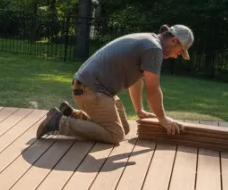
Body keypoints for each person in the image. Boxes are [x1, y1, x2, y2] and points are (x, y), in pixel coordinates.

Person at [36, 24, 192, 143]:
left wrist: (139, 110)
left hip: (92, 89)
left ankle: (73, 115)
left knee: (124, 128)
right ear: (174, 41)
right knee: (115, 134)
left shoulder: (149, 41)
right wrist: (162, 119)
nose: (176, 56)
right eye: (179, 52)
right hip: (90, 90)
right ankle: (58, 122)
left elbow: (136, 80)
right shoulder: (154, 49)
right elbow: (153, 89)